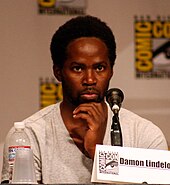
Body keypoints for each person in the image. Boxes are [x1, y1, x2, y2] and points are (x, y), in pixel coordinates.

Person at [1, 15, 168, 184]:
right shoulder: (28, 137)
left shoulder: (145, 135)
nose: (90, 79)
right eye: (78, 68)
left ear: (111, 70)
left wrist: (98, 152)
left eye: (99, 68)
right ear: (58, 72)